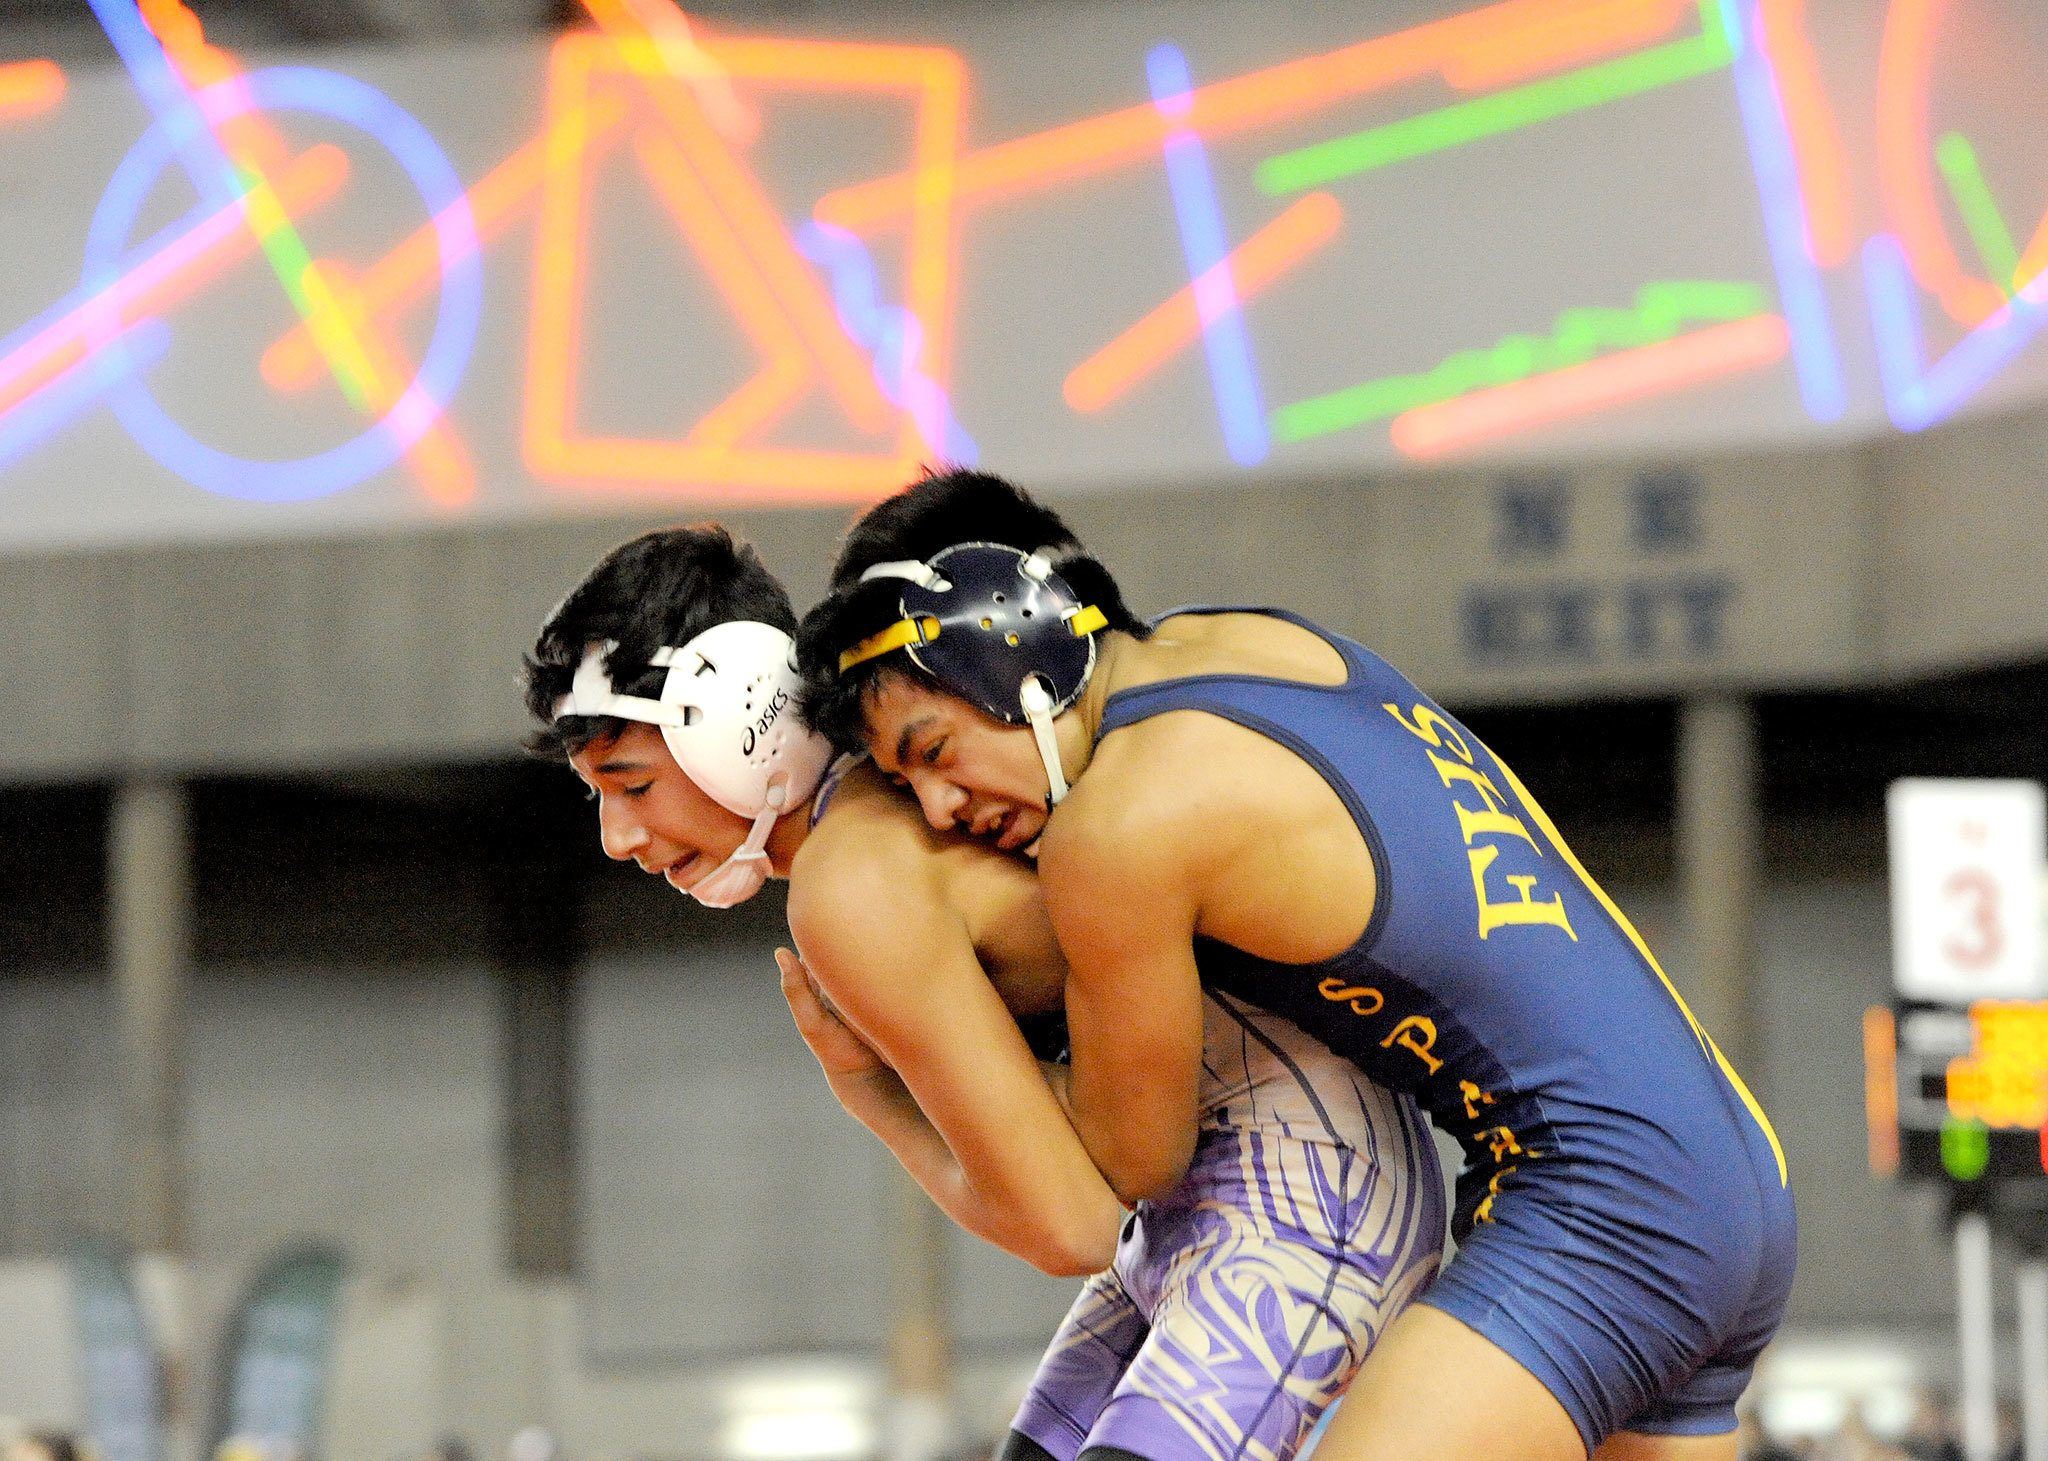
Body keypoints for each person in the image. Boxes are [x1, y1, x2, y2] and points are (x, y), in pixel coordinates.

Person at [795, 469, 1798, 1461]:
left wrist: (896, 1074)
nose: (939, 810)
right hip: (1727, 1154)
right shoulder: (1261, 641)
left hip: (1606, 1206)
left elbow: (1126, 1170)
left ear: (1011, 644)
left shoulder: (1119, 830)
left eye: (932, 750)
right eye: (903, 784)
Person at [520, 525, 1444, 1461]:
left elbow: (1072, 1223)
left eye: (628, 783)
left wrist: (867, 1090)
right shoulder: (890, 791)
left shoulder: (852, 882)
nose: (616, 835)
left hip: (1302, 1183)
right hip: (1249, 1167)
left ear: (737, 724)